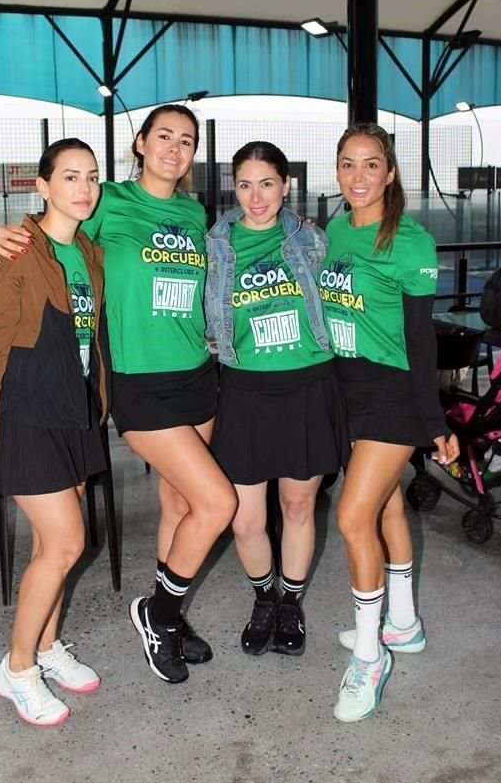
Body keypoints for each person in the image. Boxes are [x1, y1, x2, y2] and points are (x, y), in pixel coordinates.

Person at [0, 105, 237, 685]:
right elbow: (56, 233)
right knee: (217, 503)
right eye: (164, 137)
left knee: (181, 507)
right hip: (138, 383)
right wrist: (8, 233)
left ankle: (168, 620)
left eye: (187, 141)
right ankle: (157, 613)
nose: (175, 149)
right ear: (141, 143)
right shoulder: (107, 201)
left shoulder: (194, 212)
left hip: (197, 373)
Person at [0, 138, 109, 727]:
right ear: (42, 185)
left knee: (53, 547)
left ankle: (47, 647)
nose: (83, 187)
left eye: (92, 177)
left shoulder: (90, 254)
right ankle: (17, 668)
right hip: (26, 414)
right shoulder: (17, 252)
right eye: (69, 176)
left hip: (72, 411)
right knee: (68, 544)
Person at [318, 123, 459, 723]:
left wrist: (435, 421)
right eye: (347, 164)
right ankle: (402, 623)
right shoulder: (334, 229)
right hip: (346, 387)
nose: (357, 176)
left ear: (391, 171)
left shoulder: (411, 241)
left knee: (352, 517)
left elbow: (420, 341)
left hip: (393, 393)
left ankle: (371, 656)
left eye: (370, 164)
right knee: (386, 508)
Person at [205, 142, 349, 657]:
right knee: (245, 518)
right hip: (245, 390)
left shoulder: (312, 240)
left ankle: (290, 603)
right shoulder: (215, 244)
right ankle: (263, 598)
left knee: (296, 505)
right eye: (244, 184)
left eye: (267, 183)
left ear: (286, 184)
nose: (255, 196)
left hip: (309, 385)